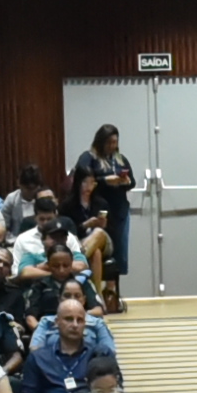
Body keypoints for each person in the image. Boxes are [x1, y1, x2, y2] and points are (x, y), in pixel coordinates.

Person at [72, 125, 138, 314]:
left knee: (118, 254)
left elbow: (132, 181)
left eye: (115, 142)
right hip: (97, 209)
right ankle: (92, 293)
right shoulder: (89, 157)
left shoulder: (119, 158)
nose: (112, 146)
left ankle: (112, 295)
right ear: (100, 141)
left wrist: (124, 182)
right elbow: (82, 177)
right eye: (109, 142)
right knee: (99, 251)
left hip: (119, 211)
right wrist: (105, 181)